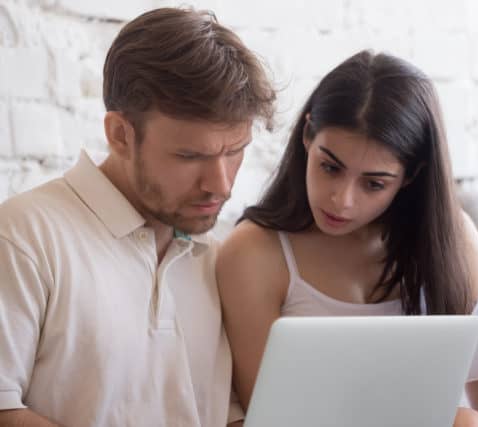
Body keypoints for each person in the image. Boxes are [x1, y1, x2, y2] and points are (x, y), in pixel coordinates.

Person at [216, 50, 478, 427]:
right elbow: (268, 415)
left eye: (374, 183)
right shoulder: (255, 252)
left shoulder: (453, 240)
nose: (342, 200)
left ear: (410, 176)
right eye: (330, 167)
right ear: (308, 135)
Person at [0, 7, 275, 427]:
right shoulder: (25, 236)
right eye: (190, 156)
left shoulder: (217, 259)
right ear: (120, 135)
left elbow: (225, 413)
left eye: (235, 151)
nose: (220, 185)